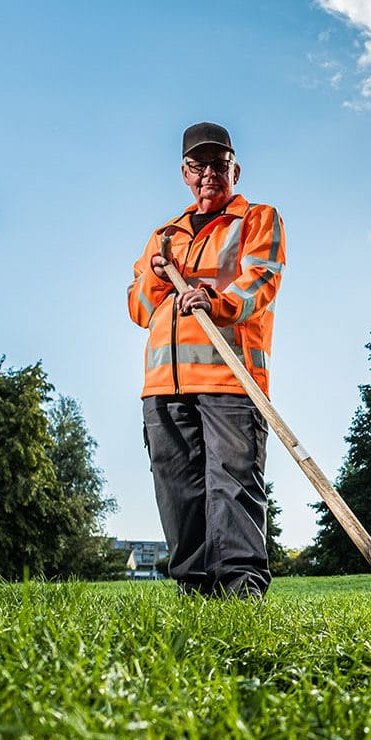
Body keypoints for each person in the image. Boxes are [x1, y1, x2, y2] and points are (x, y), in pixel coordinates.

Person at [127, 121, 285, 598]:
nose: (209, 174)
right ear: (184, 173)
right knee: (177, 491)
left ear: (235, 169)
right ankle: (193, 590)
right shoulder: (163, 237)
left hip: (230, 378)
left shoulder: (257, 218)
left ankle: (241, 590)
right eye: (199, 166)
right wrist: (158, 278)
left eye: (219, 165)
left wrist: (214, 299)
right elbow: (138, 308)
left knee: (233, 486)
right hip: (163, 386)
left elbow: (261, 279)